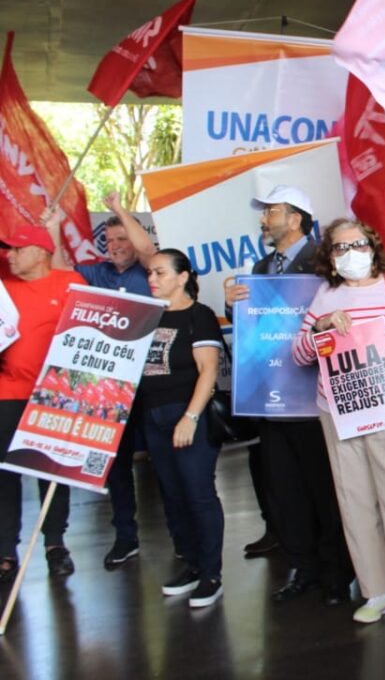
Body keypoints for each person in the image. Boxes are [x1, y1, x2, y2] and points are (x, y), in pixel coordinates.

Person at [292, 219, 385, 638]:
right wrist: (320, 327)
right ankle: (379, 592)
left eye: (356, 244)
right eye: (340, 248)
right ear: (331, 259)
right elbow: (300, 354)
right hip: (339, 413)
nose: (350, 252)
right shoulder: (326, 295)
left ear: (373, 247)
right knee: (355, 505)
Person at [224, 184, 354, 605]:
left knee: (324, 490)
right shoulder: (261, 267)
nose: (264, 219)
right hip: (273, 400)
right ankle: (302, 567)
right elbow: (256, 326)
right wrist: (235, 305)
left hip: (315, 400)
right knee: (287, 490)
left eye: (271, 211)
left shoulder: (324, 262)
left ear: (295, 218)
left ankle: (337, 572)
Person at [43, 193, 156, 570]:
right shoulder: (97, 273)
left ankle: (185, 540)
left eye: (123, 239)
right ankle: (126, 536)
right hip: (112, 387)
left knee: (169, 463)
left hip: (154, 383)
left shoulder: (148, 271)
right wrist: (55, 228)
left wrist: (120, 211)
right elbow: (61, 274)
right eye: (111, 241)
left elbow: (147, 248)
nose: (118, 247)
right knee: (118, 467)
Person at [141, 249, 226, 608]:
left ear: (182, 277)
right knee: (173, 495)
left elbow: (208, 370)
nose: (152, 279)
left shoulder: (199, 316)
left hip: (187, 415)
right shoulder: (146, 317)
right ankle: (190, 564)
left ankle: (210, 574)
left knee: (198, 493)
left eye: (160, 273)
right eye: (150, 273)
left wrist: (189, 417)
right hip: (153, 416)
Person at [0, 225, 84, 582]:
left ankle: (54, 544)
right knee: (5, 474)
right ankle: (5, 550)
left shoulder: (69, 283)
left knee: (52, 471)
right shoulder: (3, 288)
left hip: (52, 394)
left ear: (41, 252)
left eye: (17, 249)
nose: (9, 255)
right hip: (6, 393)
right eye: (8, 250)